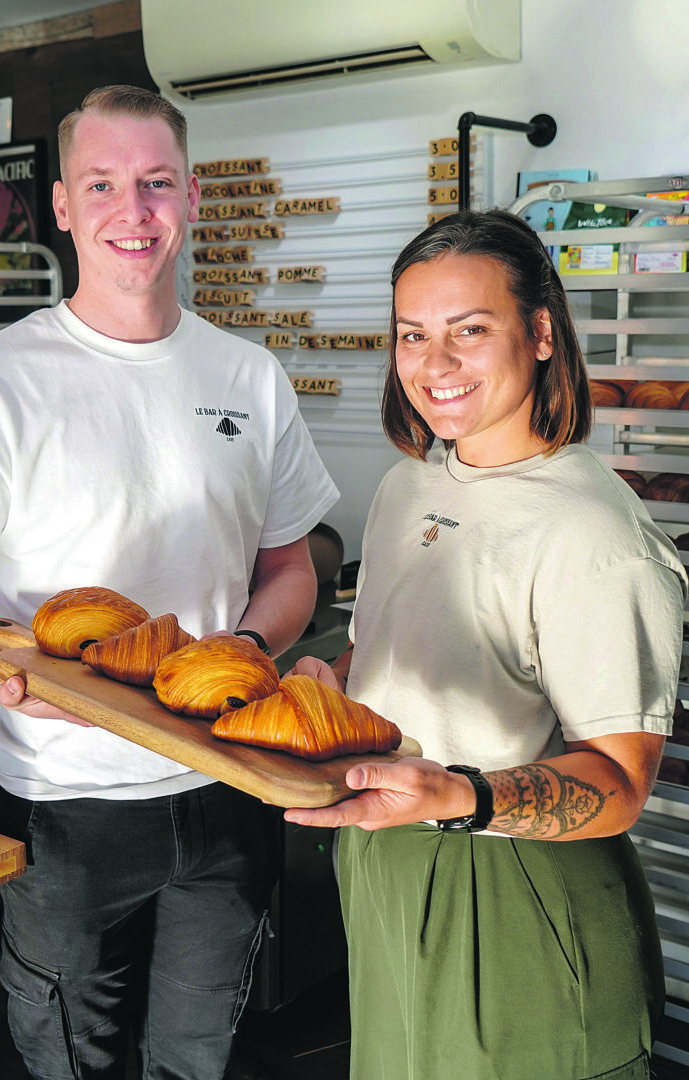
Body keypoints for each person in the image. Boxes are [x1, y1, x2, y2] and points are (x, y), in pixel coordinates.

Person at [0, 84, 339, 1080]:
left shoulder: (249, 376)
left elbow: (291, 567)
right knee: (68, 1053)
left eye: (154, 183)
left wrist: (251, 649)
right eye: (102, 184)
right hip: (64, 804)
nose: (131, 213)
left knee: (198, 1054)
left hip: (227, 776)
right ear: (61, 204)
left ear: (189, 196)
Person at [284, 209, 686, 1080]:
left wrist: (451, 795)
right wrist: (335, 684)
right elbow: (386, 646)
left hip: (515, 891)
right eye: (412, 336)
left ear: (542, 332)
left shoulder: (592, 533)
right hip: (387, 858)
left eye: (470, 331)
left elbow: (618, 785)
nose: (435, 366)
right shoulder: (407, 485)